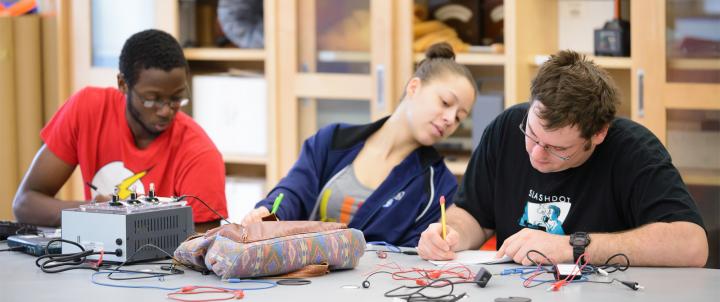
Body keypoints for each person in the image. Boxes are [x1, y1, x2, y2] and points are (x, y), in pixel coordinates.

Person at [417, 50, 708, 267]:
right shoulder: (506, 128)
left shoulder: (635, 151)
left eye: (558, 148)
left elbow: (692, 245)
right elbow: (475, 216)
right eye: (531, 134)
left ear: (598, 134)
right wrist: (450, 232)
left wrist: (574, 246)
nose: (536, 154)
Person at [241, 43, 477, 247]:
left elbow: (413, 256)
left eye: (459, 117)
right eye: (445, 102)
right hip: (300, 277)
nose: (449, 119)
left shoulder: (440, 185)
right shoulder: (332, 141)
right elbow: (293, 192)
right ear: (414, 87)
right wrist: (269, 213)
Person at [13, 29, 228, 232]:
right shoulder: (87, 109)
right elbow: (25, 202)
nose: (165, 111)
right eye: (151, 100)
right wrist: (93, 212)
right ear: (123, 84)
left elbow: (202, 247)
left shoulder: (199, 154)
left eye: (175, 98)